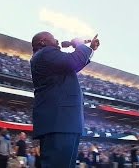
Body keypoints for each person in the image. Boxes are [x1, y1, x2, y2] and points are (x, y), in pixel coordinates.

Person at [30, 31, 100, 168]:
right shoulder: (45, 53)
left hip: (61, 121)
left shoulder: (44, 58)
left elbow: (73, 65)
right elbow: (73, 61)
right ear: (42, 42)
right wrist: (79, 44)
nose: (57, 41)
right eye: (53, 38)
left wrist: (88, 49)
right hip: (60, 120)